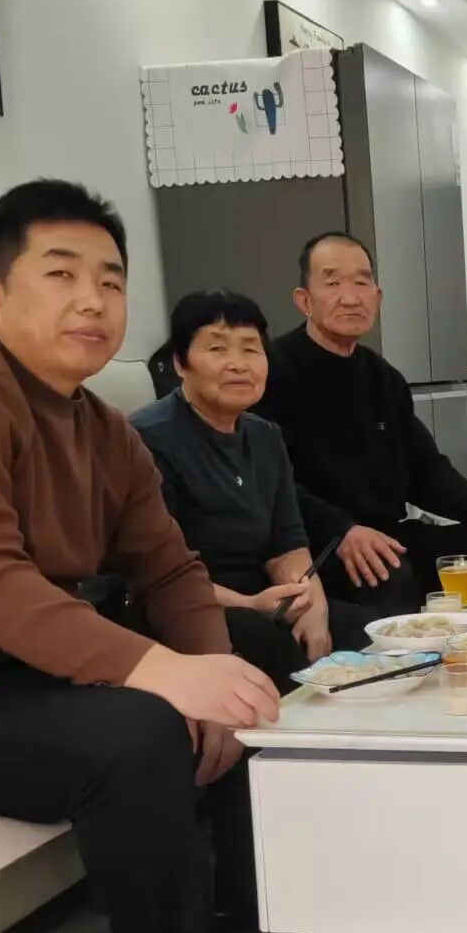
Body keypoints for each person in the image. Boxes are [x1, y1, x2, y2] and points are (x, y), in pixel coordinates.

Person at [0, 178, 309, 933]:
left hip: (37, 664)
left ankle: (239, 897)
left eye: (110, 280)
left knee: (253, 651)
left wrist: (207, 672)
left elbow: (169, 570)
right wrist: (161, 675)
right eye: (61, 274)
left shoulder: (103, 428)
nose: (93, 300)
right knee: (134, 730)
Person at [261, 232, 467, 612]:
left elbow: (425, 469)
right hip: (321, 543)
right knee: (389, 573)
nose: (350, 297)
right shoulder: (273, 372)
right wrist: (342, 530)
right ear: (305, 300)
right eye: (333, 283)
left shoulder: (382, 377)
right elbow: (275, 485)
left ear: (378, 297)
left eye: (361, 282)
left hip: (389, 535)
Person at [132, 289, 374, 690]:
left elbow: (288, 543)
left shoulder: (265, 437)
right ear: (180, 363)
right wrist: (249, 605)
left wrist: (312, 604)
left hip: (264, 598)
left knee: (368, 634)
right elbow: (157, 573)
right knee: (272, 644)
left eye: (250, 349)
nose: (238, 364)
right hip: (188, 606)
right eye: (217, 348)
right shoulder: (149, 439)